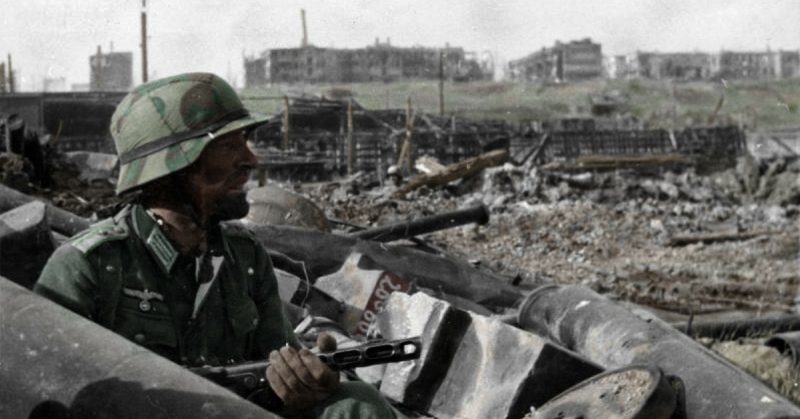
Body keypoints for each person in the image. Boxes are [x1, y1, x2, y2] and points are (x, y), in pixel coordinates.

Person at [34, 72, 400, 419]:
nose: (251, 160)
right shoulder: (88, 265)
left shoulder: (243, 254)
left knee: (357, 405)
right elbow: (44, 396)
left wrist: (304, 384)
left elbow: (278, 364)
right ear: (170, 168)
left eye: (245, 141)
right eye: (227, 146)